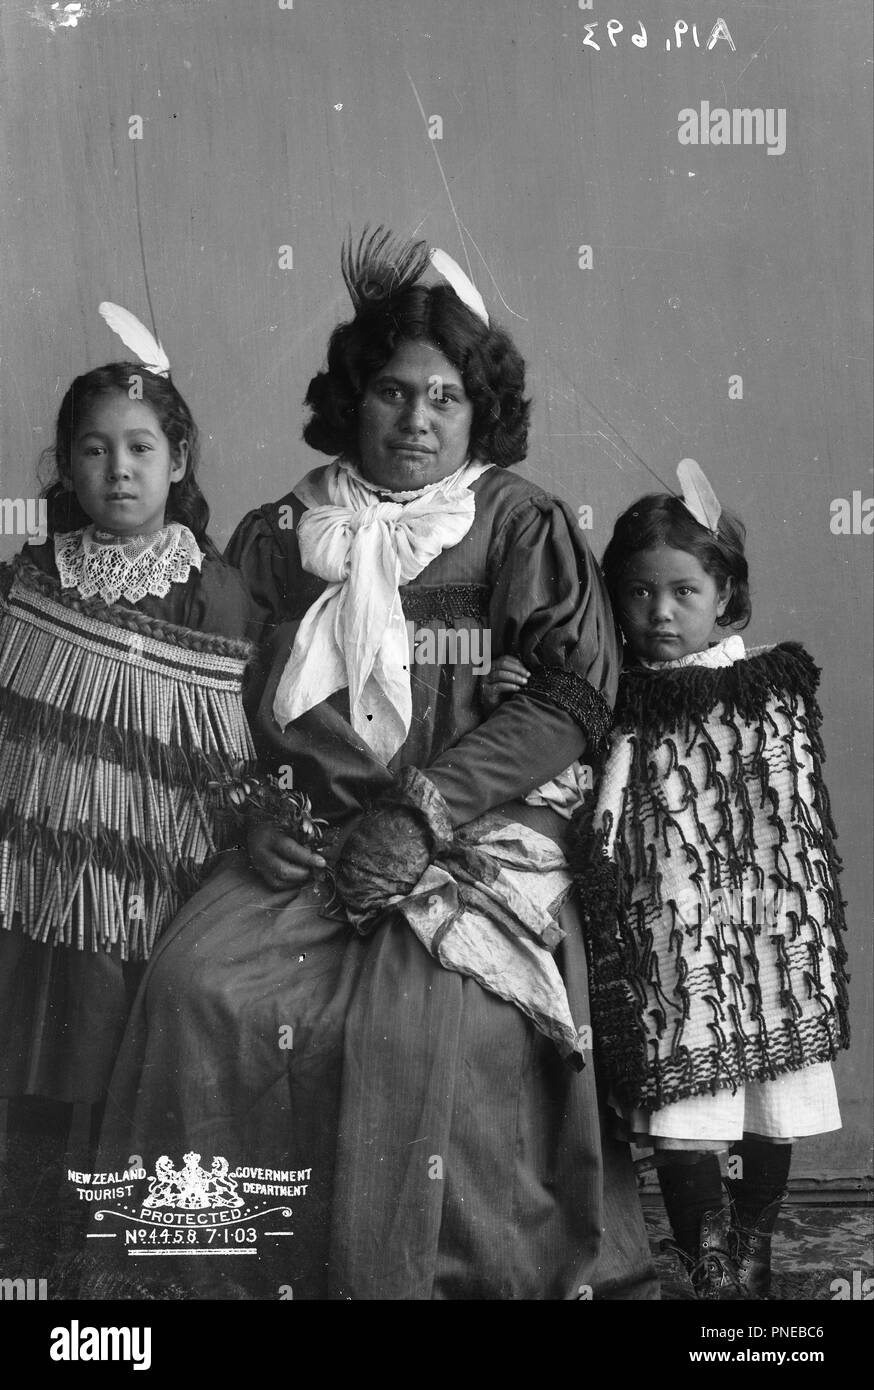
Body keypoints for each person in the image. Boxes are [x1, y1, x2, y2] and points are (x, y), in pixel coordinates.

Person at [98, 230, 658, 1301]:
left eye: (444, 398)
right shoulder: (278, 533)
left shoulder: (517, 524)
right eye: (394, 394)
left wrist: (423, 811)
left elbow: (571, 697)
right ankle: (226, 1276)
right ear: (353, 398)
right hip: (312, 828)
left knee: (422, 1028)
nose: (416, 420)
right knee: (195, 985)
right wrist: (253, 810)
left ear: (475, 410)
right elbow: (219, 700)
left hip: (476, 825)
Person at [0, 323, 257, 1269]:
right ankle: (25, 1258)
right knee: (27, 1055)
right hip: (33, 869)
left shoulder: (208, 591)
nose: (118, 470)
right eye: (95, 449)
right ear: (66, 464)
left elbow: (224, 753)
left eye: (141, 448)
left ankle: (112, 1259)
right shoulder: (31, 575)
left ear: (177, 458)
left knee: (115, 1062)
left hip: (142, 881)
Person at [563, 480, 850, 1299]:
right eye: (641, 591)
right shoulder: (614, 695)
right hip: (670, 942)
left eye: (685, 590)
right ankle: (707, 1263)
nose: (660, 610)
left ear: (724, 593)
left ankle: (752, 1248)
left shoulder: (764, 687)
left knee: (769, 1104)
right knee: (684, 1113)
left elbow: (791, 821)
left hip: (761, 941)